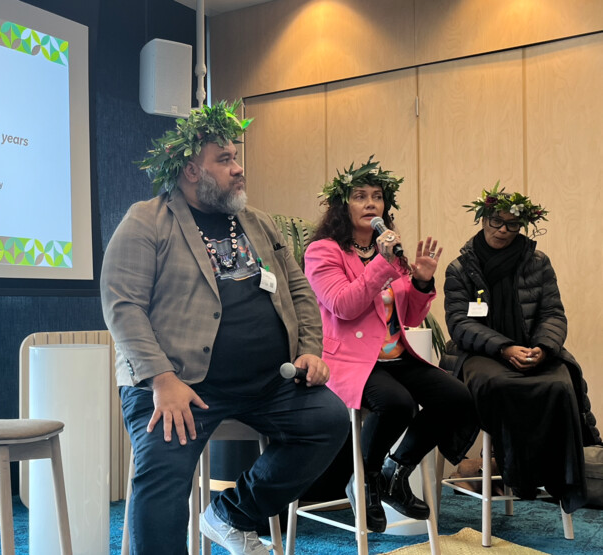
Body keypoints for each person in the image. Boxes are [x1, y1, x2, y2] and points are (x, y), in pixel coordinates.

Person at [101, 100, 349, 555]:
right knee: (160, 477)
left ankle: (231, 513)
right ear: (193, 170)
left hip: (266, 382)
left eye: (235, 157)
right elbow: (123, 307)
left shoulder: (256, 222)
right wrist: (162, 379)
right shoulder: (145, 221)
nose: (239, 168)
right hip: (179, 384)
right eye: (225, 159)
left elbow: (298, 290)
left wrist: (310, 349)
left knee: (329, 421)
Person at [303, 157, 478, 533]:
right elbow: (344, 306)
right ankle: (362, 480)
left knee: (457, 398)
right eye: (360, 196)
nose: (370, 204)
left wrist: (422, 283)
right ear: (342, 206)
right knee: (396, 404)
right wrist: (381, 264)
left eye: (377, 197)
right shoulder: (324, 251)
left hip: (395, 357)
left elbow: (411, 317)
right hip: (349, 361)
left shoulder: (393, 257)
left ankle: (395, 472)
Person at [442, 184, 601, 513]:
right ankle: (510, 469)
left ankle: (562, 482)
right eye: (496, 222)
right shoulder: (460, 268)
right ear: (482, 220)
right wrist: (503, 348)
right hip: (481, 353)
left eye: (512, 224)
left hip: (533, 349)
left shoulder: (538, 263)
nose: (503, 230)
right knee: (498, 385)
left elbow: (553, 314)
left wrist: (543, 348)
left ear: (522, 225)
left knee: (560, 384)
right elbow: (459, 324)